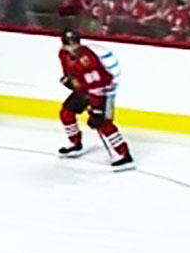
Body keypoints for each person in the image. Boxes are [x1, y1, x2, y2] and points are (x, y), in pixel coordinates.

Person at [57, 29, 135, 170]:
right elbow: (70, 74)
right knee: (66, 113)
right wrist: (69, 80)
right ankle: (75, 144)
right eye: (69, 44)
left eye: (75, 43)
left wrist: (96, 109)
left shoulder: (87, 59)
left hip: (103, 90)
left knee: (102, 122)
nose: (72, 47)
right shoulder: (63, 54)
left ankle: (123, 154)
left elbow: (97, 84)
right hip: (84, 89)